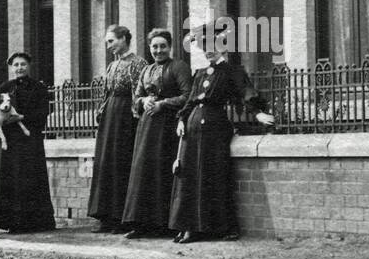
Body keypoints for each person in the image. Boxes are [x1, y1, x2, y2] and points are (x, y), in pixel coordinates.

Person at [169, 24, 275, 243]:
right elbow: (190, 101)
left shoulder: (233, 71)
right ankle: (190, 227)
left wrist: (257, 114)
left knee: (213, 176)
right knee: (189, 178)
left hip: (215, 129)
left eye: (213, 45)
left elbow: (245, 93)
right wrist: (181, 120)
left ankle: (220, 227)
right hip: (192, 128)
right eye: (204, 46)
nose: (209, 50)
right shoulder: (199, 73)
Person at [121, 29, 192, 239]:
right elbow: (136, 98)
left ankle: (165, 224)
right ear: (149, 48)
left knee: (162, 171)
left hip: (169, 127)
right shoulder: (146, 70)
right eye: (154, 47)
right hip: (147, 128)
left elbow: (188, 95)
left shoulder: (178, 67)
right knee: (143, 172)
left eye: (162, 46)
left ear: (170, 47)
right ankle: (141, 223)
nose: (158, 51)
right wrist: (144, 101)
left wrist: (163, 103)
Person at [0, 51, 56, 233]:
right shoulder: (6, 87)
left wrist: (22, 117)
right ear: (11, 68)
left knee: (31, 178)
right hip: (10, 143)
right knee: (11, 178)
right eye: (16, 65)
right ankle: (13, 222)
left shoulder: (38, 88)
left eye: (23, 64)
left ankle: (35, 221)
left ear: (29, 66)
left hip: (30, 140)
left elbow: (42, 114)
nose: (19, 68)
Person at [86, 26, 148, 233]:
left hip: (126, 118)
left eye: (111, 41)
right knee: (106, 164)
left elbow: (140, 92)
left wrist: (136, 114)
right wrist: (101, 111)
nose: (108, 46)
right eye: (106, 42)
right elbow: (106, 93)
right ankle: (106, 217)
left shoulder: (138, 63)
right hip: (110, 118)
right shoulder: (112, 65)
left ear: (124, 39)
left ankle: (122, 219)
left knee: (122, 164)